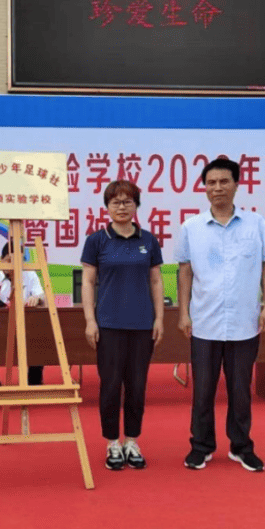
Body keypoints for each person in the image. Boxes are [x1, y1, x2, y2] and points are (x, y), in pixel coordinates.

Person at [175, 158, 265, 473]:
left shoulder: (255, 224)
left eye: (223, 181)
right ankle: (201, 446)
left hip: (245, 323)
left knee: (240, 389)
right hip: (205, 322)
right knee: (203, 390)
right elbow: (185, 271)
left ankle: (241, 447)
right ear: (204, 187)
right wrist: (183, 313)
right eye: (210, 183)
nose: (216, 188)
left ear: (236, 184)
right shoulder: (191, 227)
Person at [80, 180, 164, 471]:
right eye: (115, 202)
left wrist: (160, 319)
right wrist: (90, 321)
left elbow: (155, 280)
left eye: (128, 201)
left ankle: (132, 441)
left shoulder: (148, 240)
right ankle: (112, 443)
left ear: (136, 206)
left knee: (137, 386)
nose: (122, 207)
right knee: (111, 385)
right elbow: (88, 282)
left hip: (142, 324)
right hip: (109, 325)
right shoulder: (96, 240)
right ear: (106, 207)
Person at [0, 241, 46, 387]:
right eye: (9, 260)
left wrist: (37, 298)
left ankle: (34, 380)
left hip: (26, 326)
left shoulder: (29, 273)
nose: (13, 265)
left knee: (40, 335)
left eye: (18, 261)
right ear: (1, 260)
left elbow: (42, 296)